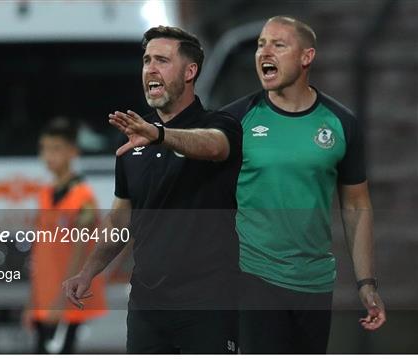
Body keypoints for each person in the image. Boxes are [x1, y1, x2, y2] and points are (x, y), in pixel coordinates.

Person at [63, 26, 242, 354]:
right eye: (147, 61)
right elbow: (119, 222)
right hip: (148, 309)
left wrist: (160, 135)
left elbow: (214, 147)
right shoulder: (132, 139)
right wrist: (88, 272)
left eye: (162, 60)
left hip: (208, 308)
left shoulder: (220, 125)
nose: (151, 69)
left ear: (191, 72)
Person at [221, 16, 386, 353]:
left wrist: (366, 283)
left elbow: (356, 205)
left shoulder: (341, 124)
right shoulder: (235, 120)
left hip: (313, 283)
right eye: (260, 44)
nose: (264, 51)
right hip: (251, 278)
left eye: (278, 45)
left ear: (306, 57)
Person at [23, 117, 107, 354]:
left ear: (73, 152)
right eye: (45, 149)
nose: (49, 156)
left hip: (66, 302)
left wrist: (61, 302)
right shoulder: (45, 194)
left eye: (56, 149)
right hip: (44, 297)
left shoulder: (83, 198)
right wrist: (32, 301)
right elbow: (39, 252)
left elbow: (79, 254)